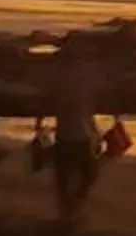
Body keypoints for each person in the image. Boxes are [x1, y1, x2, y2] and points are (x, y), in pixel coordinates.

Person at [43, 42, 102, 226]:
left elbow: (48, 100)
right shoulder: (81, 76)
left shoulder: (60, 77)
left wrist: (40, 122)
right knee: (88, 172)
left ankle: (68, 211)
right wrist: (95, 130)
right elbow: (89, 106)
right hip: (78, 133)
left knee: (66, 176)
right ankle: (73, 207)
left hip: (67, 133)